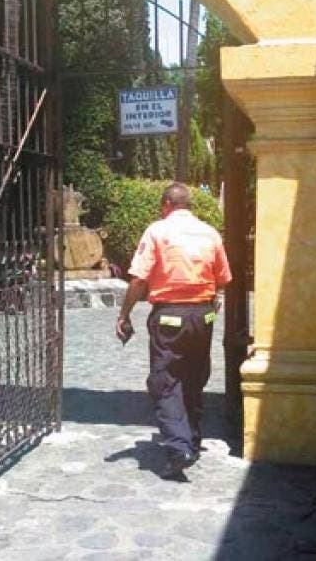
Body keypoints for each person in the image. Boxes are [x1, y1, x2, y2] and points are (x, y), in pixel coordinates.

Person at [115, 182, 232, 479]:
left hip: (170, 316)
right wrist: (213, 299)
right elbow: (222, 277)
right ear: (188, 204)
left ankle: (179, 448)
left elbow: (139, 279)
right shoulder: (210, 233)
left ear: (166, 204)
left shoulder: (158, 231)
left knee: (165, 381)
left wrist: (124, 314)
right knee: (194, 377)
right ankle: (192, 438)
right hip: (203, 317)